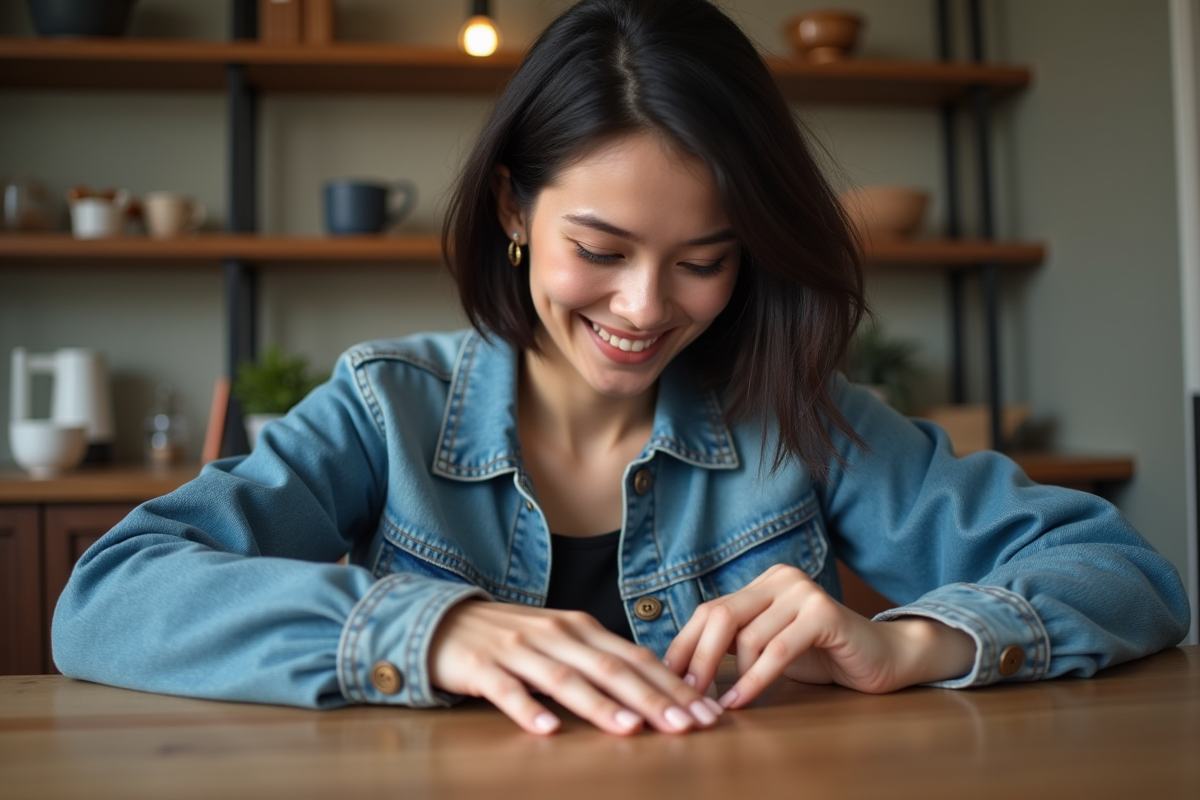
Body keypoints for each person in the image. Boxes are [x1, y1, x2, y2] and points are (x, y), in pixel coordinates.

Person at [53, 0, 1188, 737]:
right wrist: (432, 629)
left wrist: (909, 643)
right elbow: (110, 595)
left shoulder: (796, 415)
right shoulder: (383, 406)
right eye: (600, 251)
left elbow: (1122, 570)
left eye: (704, 261)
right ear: (512, 204)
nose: (645, 311)